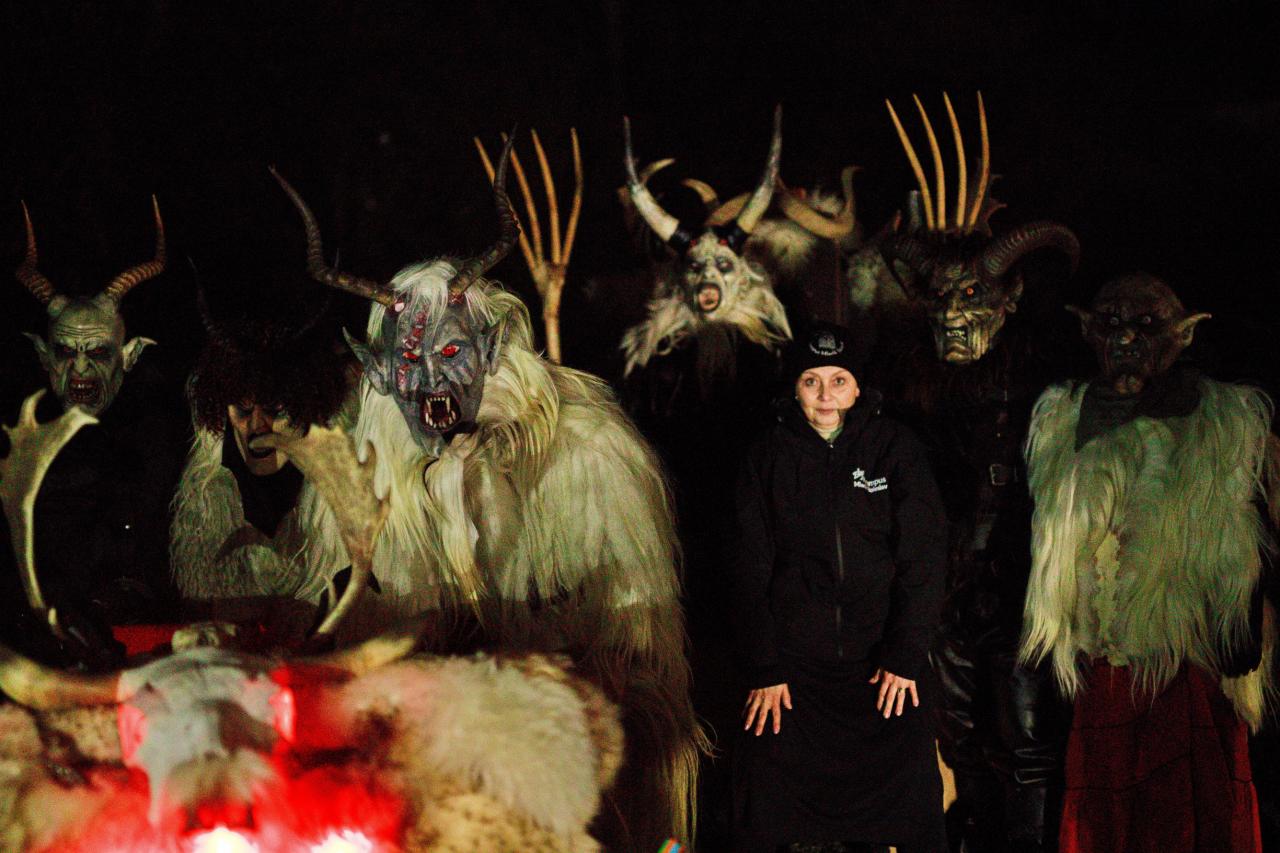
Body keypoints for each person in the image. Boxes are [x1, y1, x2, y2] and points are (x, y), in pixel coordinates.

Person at [1020, 273, 1275, 852]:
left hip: (1188, 658)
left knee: (1187, 807)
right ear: (1089, 332)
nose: (1127, 339)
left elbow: (1246, 523)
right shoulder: (1063, 417)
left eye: (1146, 326)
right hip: (1102, 657)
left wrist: (1240, 612)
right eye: (1111, 325)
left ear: (1183, 336)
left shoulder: (1223, 419)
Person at [730, 321, 948, 853]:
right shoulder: (767, 455)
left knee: (913, 805)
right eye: (811, 381)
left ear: (857, 388)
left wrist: (905, 656)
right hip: (793, 672)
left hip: (882, 669)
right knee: (762, 804)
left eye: (838, 380)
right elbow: (747, 566)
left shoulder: (893, 448)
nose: (825, 395)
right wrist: (765, 666)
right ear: (794, 387)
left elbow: (924, 556)